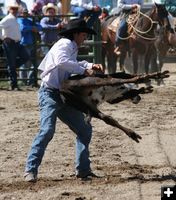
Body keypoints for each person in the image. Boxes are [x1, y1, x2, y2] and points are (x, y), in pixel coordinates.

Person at [24, 18, 104, 182]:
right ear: (75, 34)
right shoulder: (65, 44)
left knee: (84, 129)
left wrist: (89, 65)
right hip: (50, 93)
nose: (85, 38)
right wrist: (84, 69)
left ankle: (83, 170)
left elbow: (69, 63)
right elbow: (61, 62)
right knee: (47, 130)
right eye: (83, 35)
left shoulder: (70, 45)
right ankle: (30, 170)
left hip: (61, 93)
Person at [0, 0, 29, 90]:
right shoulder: (8, 18)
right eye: (13, 9)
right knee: (22, 59)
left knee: (25, 57)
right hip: (10, 43)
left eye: (16, 9)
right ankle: (14, 85)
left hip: (15, 43)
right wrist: (3, 37)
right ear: (10, 9)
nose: (15, 10)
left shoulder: (13, 18)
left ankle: (10, 70)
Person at [17, 8, 42, 86]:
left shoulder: (28, 21)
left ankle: (30, 81)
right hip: (24, 44)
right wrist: (32, 28)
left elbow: (40, 27)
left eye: (26, 13)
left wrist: (34, 27)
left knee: (35, 63)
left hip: (31, 44)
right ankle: (23, 81)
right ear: (20, 13)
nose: (25, 14)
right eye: (23, 13)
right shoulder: (19, 20)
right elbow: (22, 28)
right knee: (25, 63)